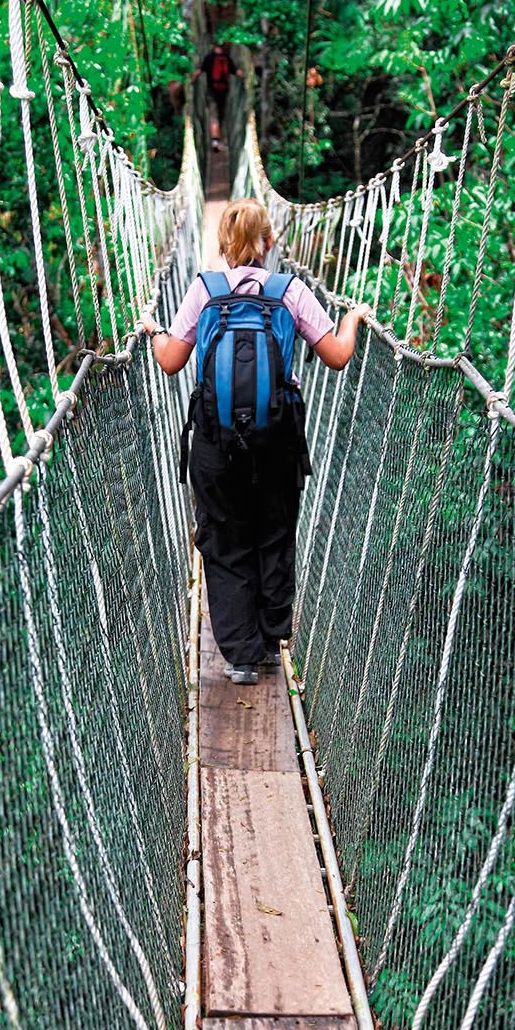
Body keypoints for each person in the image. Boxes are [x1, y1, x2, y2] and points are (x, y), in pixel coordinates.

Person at [141, 198, 370, 685]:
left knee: (224, 536)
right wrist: (352, 318)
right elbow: (336, 355)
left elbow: (170, 360)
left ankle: (241, 656)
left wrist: (153, 330)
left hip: (214, 438)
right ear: (270, 242)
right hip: (277, 437)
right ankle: (270, 637)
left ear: (223, 246)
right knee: (273, 529)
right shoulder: (291, 291)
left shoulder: (204, 290)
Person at [193, 44, 240, 151]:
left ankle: (215, 141)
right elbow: (237, 72)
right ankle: (221, 141)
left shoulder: (209, 57)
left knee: (213, 116)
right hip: (223, 91)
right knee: (221, 116)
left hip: (211, 91)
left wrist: (191, 80)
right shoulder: (226, 58)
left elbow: (198, 72)